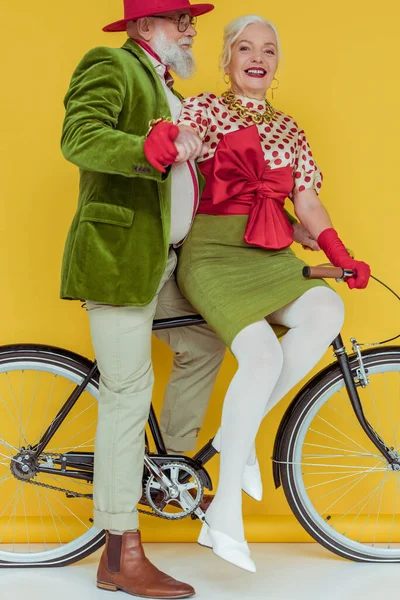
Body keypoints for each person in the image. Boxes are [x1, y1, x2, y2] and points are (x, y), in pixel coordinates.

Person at [175, 14, 371, 573]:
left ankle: (239, 437)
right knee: (260, 355)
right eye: (244, 47)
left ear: (276, 63)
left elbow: (306, 204)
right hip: (213, 256)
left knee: (327, 307)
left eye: (268, 49)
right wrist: (173, 141)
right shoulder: (204, 110)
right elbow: (174, 153)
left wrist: (340, 254)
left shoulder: (292, 130)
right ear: (227, 57)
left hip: (273, 254)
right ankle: (225, 515)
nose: (257, 57)